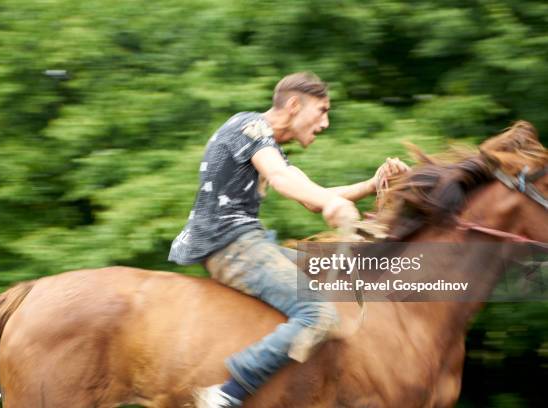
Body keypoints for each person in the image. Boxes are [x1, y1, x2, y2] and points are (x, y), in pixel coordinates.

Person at [168, 72, 409, 407]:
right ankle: (227, 393)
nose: (325, 122)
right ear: (295, 105)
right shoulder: (249, 127)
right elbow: (282, 180)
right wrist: (331, 204)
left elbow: (312, 196)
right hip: (231, 246)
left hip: (248, 241)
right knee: (319, 314)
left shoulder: (267, 145)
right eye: (322, 110)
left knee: (329, 276)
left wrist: (372, 183)